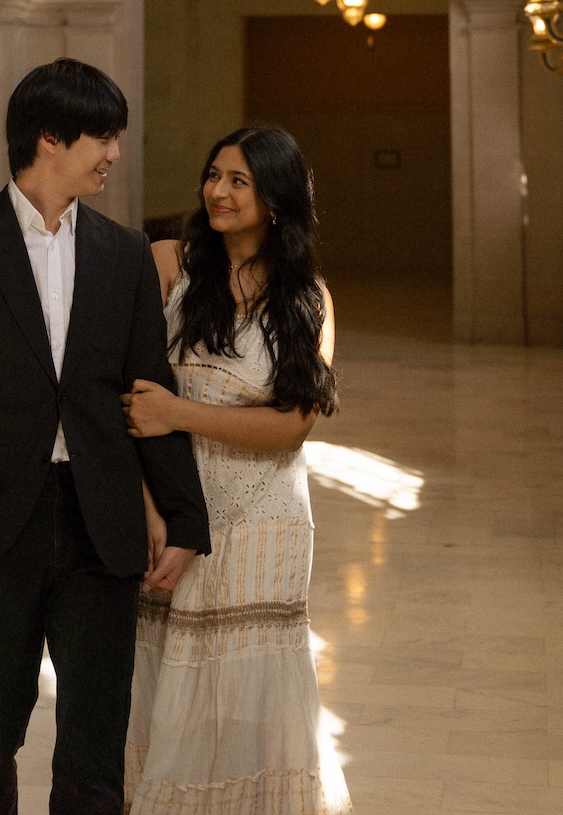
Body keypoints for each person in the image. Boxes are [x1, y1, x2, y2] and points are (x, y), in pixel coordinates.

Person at [0, 57, 211, 815]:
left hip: (103, 526)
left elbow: (147, 394)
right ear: (49, 138)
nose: (115, 154)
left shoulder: (124, 254)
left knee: (95, 749)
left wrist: (184, 517)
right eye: (103, 136)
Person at [121, 124, 352, 815]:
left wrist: (180, 415)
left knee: (247, 693)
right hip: (171, 505)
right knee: (163, 680)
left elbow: (293, 425)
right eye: (213, 174)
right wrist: (151, 509)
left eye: (239, 181)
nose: (217, 191)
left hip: (263, 519)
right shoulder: (168, 264)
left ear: (275, 200)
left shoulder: (307, 297)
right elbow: (131, 400)